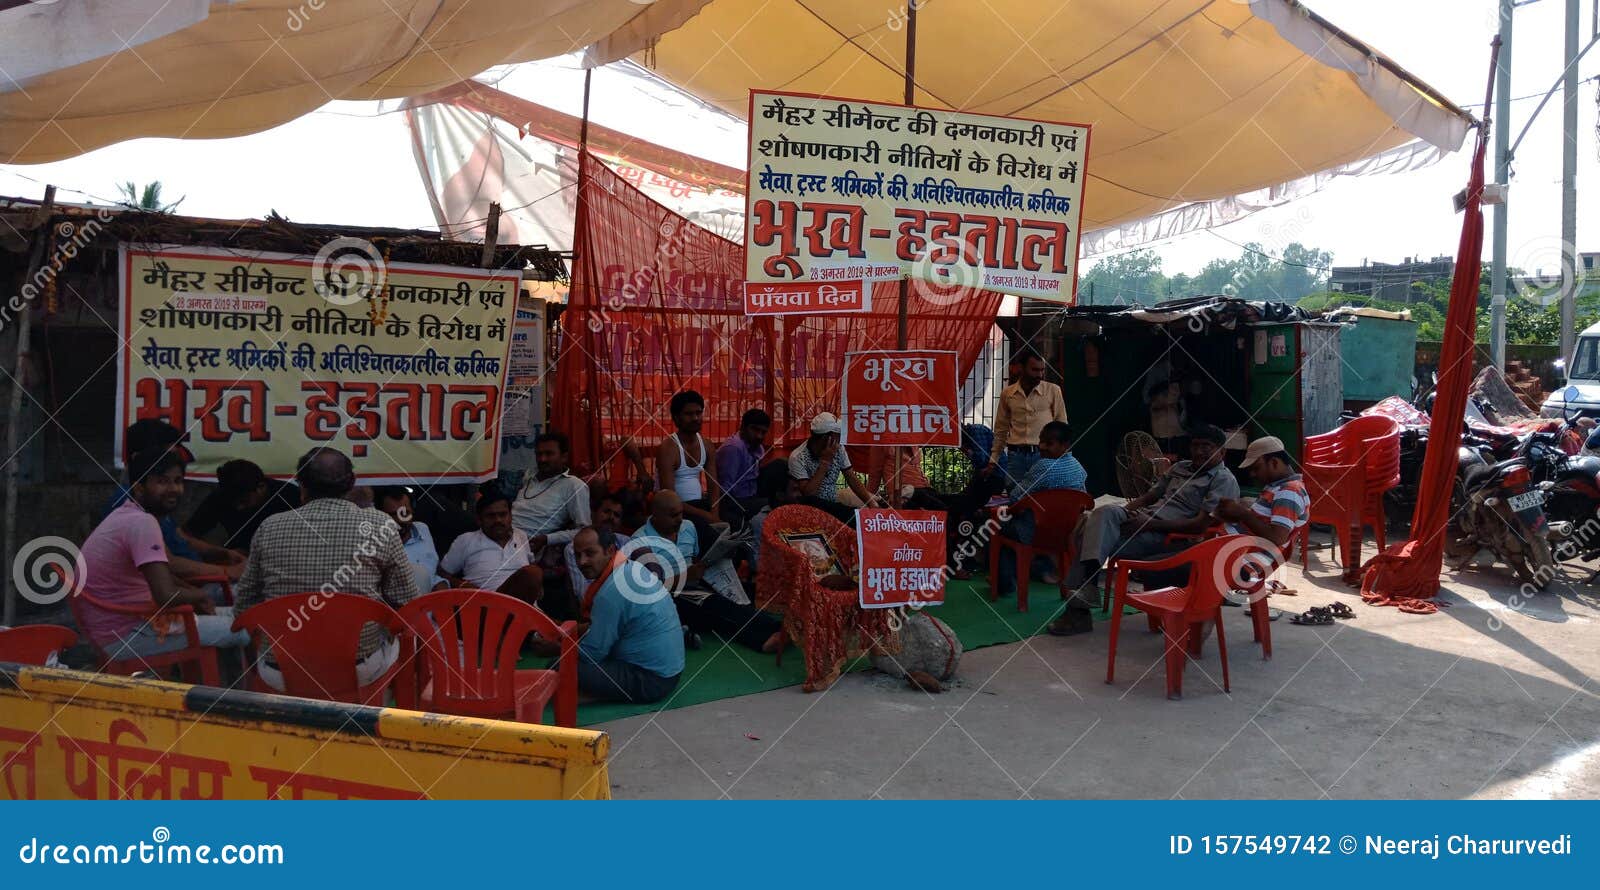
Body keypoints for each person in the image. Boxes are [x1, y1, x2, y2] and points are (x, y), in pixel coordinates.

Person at [232, 447, 420, 691]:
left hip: (280, 670)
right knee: (399, 639)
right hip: (357, 669)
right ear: (351, 484)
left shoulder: (269, 527)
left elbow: (244, 605)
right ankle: (376, 718)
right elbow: (408, 602)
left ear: (302, 486)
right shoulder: (380, 525)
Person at [78, 447, 249, 668]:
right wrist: (198, 596)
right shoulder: (141, 523)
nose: (173, 489)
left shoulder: (130, 514)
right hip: (131, 634)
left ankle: (220, 691)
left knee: (246, 616)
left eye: (178, 481)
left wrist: (196, 597)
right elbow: (165, 594)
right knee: (246, 628)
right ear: (139, 487)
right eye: (162, 481)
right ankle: (236, 699)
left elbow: (165, 573)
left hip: (128, 625)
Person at [1058, 424, 1239, 630]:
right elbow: (1149, 496)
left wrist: (1148, 524)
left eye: (1206, 447)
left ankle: (1079, 610)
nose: (1199, 451)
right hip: (1143, 520)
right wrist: (1125, 515)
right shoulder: (1180, 467)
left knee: (1088, 538)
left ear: (1222, 452)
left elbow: (1199, 526)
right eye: (1195, 446)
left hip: (1167, 536)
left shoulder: (1223, 480)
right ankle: (1088, 586)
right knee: (1104, 513)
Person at [634, 491, 783, 653]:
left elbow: (697, 558)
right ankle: (762, 639)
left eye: (681, 513)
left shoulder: (688, 527)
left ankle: (775, 627)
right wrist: (685, 576)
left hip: (696, 584)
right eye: (673, 516)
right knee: (715, 605)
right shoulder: (640, 542)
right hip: (667, 598)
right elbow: (649, 590)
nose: (679, 519)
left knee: (741, 594)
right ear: (655, 515)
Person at [100, 419, 245, 584]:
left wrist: (222, 553)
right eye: (165, 457)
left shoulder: (153, 499)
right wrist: (228, 572)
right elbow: (168, 565)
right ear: (139, 458)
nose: (174, 487)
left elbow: (178, 537)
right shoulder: (131, 505)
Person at [572, 526, 685, 703]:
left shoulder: (610, 591)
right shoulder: (630, 568)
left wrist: (559, 646)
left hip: (651, 681)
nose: (582, 562)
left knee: (559, 666)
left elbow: (592, 654)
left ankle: (590, 695)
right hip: (671, 672)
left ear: (610, 551)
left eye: (590, 553)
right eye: (577, 555)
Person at [992, 421, 1087, 603]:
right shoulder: (1079, 468)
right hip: (1066, 534)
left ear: (1065, 445)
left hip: (1034, 534)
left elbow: (1016, 498)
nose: (1042, 447)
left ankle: (1004, 584)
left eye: (1049, 443)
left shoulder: (1042, 467)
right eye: (1041, 441)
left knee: (997, 525)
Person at [438, 491, 544, 604]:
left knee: (532, 574)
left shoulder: (521, 536)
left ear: (510, 516)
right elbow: (442, 573)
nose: (498, 520)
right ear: (479, 520)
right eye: (491, 516)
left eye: (503, 514)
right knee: (532, 573)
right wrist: (464, 586)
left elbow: (530, 563)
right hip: (485, 606)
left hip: (526, 609)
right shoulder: (465, 540)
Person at [1213, 436, 1309, 553]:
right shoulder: (1276, 487)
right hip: (1229, 552)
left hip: (1236, 560)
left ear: (1274, 462)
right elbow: (1261, 521)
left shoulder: (1290, 491)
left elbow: (1277, 538)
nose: (1253, 474)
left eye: (1256, 468)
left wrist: (1243, 513)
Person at [181, 459, 299, 554]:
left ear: (261, 487)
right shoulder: (221, 497)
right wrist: (217, 553)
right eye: (233, 502)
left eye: (244, 501)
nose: (239, 507)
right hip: (237, 559)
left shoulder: (290, 496)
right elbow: (189, 533)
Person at [987, 351, 1067, 487]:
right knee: (1015, 498)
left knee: (1043, 496)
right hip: (1016, 456)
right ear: (1021, 368)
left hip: (1043, 456)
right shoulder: (1008, 394)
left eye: (1042, 370)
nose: (1040, 375)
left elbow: (1062, 425)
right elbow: (1001, 429)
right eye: (1035, 370)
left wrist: (1061, 458)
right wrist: (993, 460)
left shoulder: (1053, 390)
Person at [656, 390, 723, 548]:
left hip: (700, 505)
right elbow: (670, 498)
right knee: (708, 533)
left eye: (698, 413)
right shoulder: (668, 448)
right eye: (689, 414)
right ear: (676, 418)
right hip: (674, 510)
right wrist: (707, 516)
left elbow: (714, 486)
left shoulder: (707, 445)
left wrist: (715, 513)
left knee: (736, 523)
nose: (695, 418)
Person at [510, 431, 592, 557]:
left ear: (564, 457)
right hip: (500, 534)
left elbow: (584, 531)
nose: (543, 459)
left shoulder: (574, 485)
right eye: (539, 454)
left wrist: (547, 539)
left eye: (549, 454)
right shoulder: (529, 476)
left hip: (524, 546)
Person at [788, 412, 882, 523]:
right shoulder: (798, 457)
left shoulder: (839, 449)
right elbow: (809, 493)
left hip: (833, 500)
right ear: (825, 438)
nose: (840, 437)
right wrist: (825, 462)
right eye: (837, 434)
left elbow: (851, 478)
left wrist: (870, 503)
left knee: (872, 508)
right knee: (852, 517)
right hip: (812, 506)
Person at [375, 485, 447, 595]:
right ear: (378, 515)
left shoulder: (422, 530)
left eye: (405, 513)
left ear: (413, 511)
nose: (400, 519)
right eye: (393, 515)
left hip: (430, 607)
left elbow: (431, 572)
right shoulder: (372, 544)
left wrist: (440, 583)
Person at [565, 492, 632, 603]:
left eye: (616, 515)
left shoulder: (627, 542)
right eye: (606, 512)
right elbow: (583, 594)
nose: (611, 517)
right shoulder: (573, 548)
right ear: (593, 514)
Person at [715, 408, 771, 527]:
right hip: (735, 502)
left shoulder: (757, 446)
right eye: (755, 430)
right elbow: (726, 490)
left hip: (751, 496)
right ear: (743, 427)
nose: (759, 436)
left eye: (763, 432)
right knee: (773, 505)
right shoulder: (734, 448)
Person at [864, 445, 942, 510]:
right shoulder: (881, 444)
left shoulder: (914, 442)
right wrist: (868, 503)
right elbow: (874, 477)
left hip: (926, 491)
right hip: (905, 496)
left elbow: (918, 471)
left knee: (952, 504)